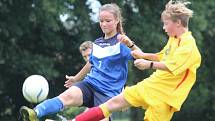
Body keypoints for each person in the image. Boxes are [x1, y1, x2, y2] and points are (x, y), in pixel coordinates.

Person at [70, 0, 201, 121]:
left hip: (164, 98)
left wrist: (148, 64)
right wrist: (138, 51)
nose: (164, 28)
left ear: (178, 23)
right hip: (151, 84)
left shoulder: (188, 46)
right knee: (111, 104)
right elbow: (161, 56)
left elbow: (171, 66)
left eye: (166, 24)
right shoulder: (174, 39)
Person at [19, 3, 140, 121]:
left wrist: (131, 44)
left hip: (107, 94)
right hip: (89, 85)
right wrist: (76, 78)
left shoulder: (122, 44)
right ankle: (35, 113)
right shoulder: (97, 43)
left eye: (108, 21)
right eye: (101, 21)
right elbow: (90, 63)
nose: (104, 24)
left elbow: (142, 57)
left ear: (117, 20)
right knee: (66, 96)